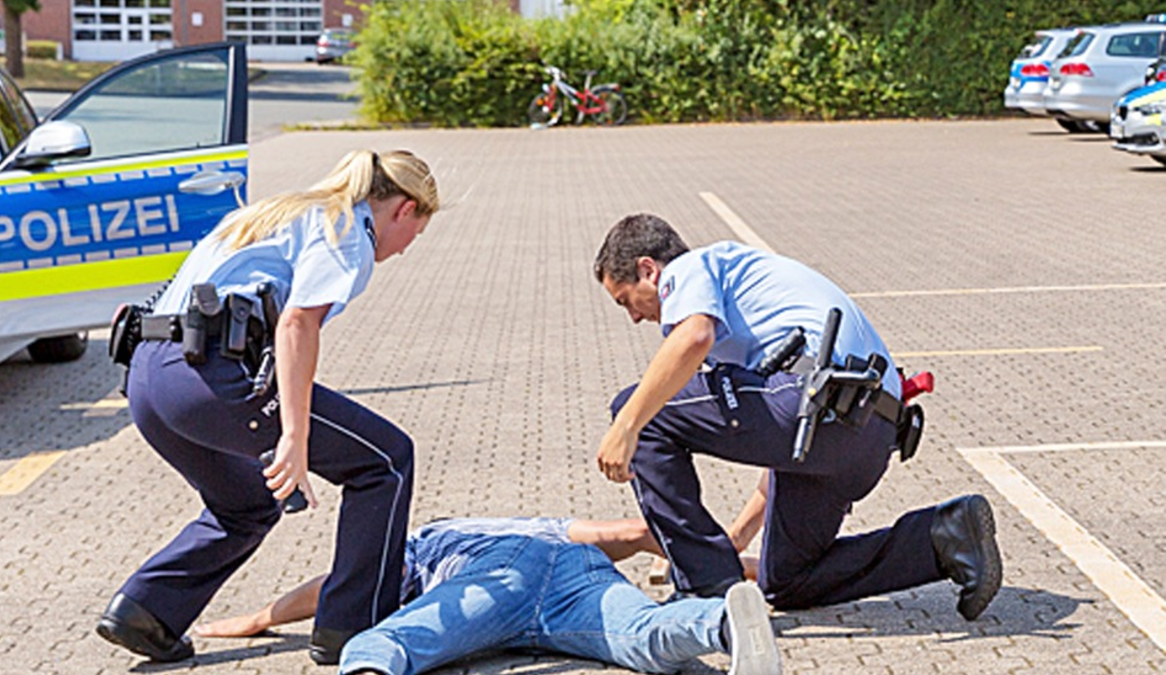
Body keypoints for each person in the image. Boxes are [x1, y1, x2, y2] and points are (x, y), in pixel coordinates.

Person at [96, 150, 440, 665]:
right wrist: (294, 437)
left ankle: (147, 612)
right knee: (386, 460)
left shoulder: (279, 211)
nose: (408, 249)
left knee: (247, 505)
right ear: (404, 209)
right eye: (418, 232)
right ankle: (351, 626)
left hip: (149, 380)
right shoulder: (346, 229)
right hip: (206, 377)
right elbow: (296, 325)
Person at [592, 213, 1002, 621]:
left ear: (648, 269)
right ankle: (943, 536)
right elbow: (779, 441)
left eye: (626, 299)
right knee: (787, 580)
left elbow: (695, 337)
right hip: (867, 434)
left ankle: (705, 590)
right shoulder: (751, 304)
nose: (633, 316)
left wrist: (626, 425)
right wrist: (735, 539)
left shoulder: (690, 269)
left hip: (816, 405)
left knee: (640, 411)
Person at [194, 517, 784, 675]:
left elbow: (339, 584)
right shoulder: (532, 520)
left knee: (385, 642)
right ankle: (724, 626)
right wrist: (735, 563)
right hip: (577, 571)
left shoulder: (424, 540)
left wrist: (256, 618)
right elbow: (624, 535)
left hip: (493, 574)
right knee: (642, 639)